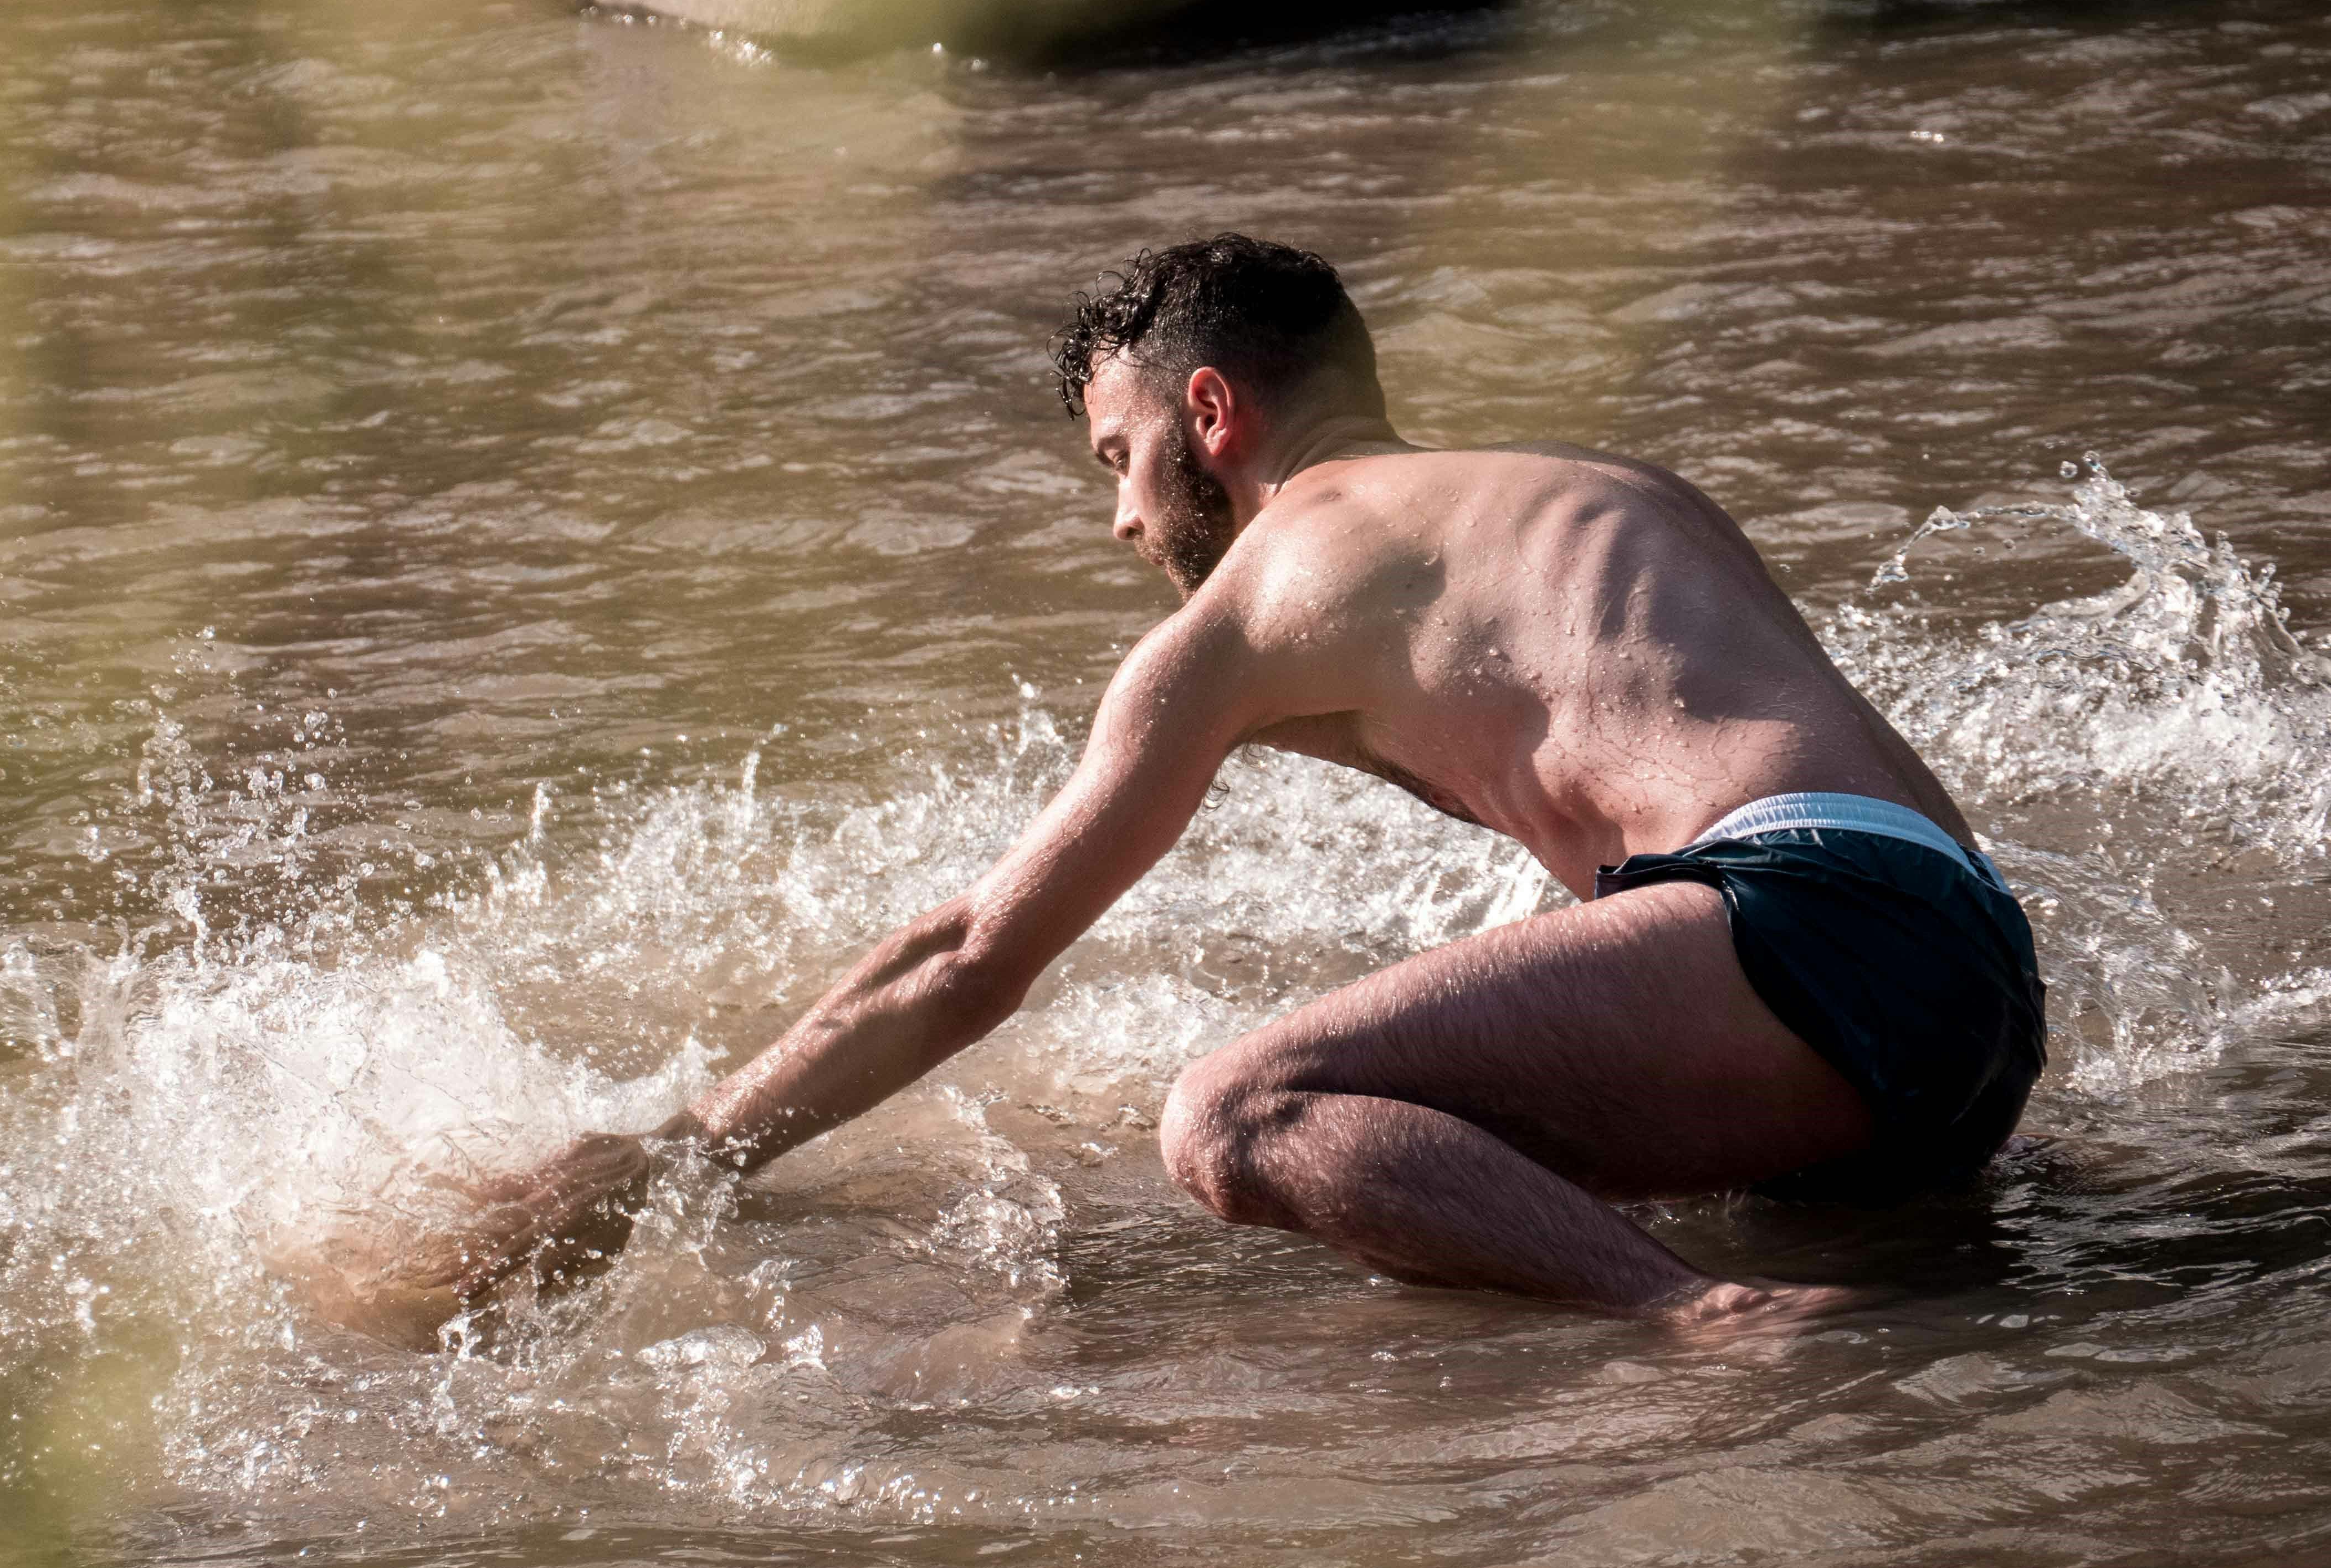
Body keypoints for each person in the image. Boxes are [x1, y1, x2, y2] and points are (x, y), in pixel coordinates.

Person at [291, 233, 2046, 1342]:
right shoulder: (1587, 490)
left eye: (1121, 463)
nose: (1125, 524)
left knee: (1237, 1113)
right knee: (1467, 1116)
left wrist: (685, 1152)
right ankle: (1819, 1281)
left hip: (1812, 933)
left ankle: (1698, 1325)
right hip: (1962, 983)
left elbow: (974, 951)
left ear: (1211, 411)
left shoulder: (1283, 574)